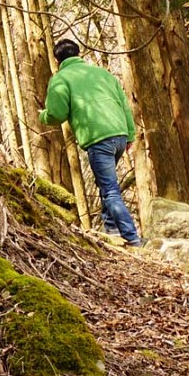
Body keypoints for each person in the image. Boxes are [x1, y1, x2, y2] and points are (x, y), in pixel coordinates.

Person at [40, 37, 142, 246]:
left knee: (110, 190)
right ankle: (112, 232)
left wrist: (43, 115)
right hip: (120, 135)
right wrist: (130, 134)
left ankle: (133, 239)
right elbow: (123, 104)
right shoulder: (102, 73)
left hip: (98, 139)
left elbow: (57, 114)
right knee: (105, 184)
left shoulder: (61, 79)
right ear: (78, 53)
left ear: (57, 60)